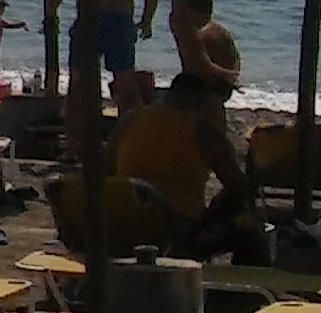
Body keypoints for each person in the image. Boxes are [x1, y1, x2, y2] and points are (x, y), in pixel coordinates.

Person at [109, 72, 265, 262]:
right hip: (176, 232)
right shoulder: (204, 132)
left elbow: (104, 167)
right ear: (203, 101)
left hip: (123, 220)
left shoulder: (130, 119)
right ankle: (244, 281)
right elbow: (239, 188)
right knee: (249, 232)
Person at [169, 0, 241, 103]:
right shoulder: (219, 30)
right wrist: (232, 74)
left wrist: (228, 75)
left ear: (192, 12)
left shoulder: (198, 34)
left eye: (177, 10)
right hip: (218, 83)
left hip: (209, 85)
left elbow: (203, 65)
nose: (172, 15)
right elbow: (236, 56)